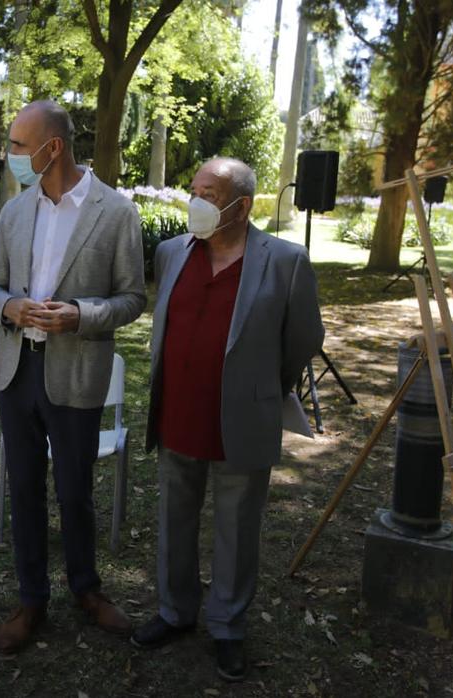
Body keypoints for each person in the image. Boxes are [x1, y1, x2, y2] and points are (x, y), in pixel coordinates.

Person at [130, 157, 324, 682]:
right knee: (175, 517)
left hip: (242, 418)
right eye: (193, 190)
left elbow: (305, 338)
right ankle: (175, 611)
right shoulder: (172, 253)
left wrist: (262, 388)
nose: (196, 201)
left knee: (238, 527)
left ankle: (229, 627)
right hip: (178, 412)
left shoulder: (284, 261)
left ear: (243, 206)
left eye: (209, 194)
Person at [0, 100, 146, 654]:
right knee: (24, 489)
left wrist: (78, 314)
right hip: (17, 370)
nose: (12, 156)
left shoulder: (117, 212)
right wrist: (10, 308)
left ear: (54, 148)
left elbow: (132, 299)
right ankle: (32, 600)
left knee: (75, 491)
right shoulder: (13, 211)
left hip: (76, 371)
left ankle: (87, 590)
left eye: (20, 146)